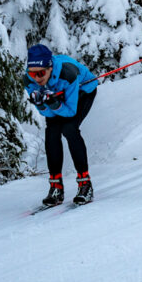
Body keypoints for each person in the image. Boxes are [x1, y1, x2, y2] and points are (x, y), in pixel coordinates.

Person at [24, 44, 99, 206]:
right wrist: (45, 105)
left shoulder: (68, 74)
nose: (36, 78)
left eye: (41, 73)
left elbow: (71, 111)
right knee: (51, 132)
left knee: (69, 129)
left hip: (82, 91)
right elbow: (49, 115)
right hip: (59, 98)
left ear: (50, 68)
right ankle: (56, 187)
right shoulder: (28, 81)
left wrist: (53, 103)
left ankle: (85, 184)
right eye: (32, 73)